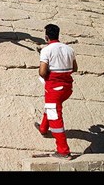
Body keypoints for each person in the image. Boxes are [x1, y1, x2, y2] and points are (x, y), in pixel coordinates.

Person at [36, 24, 78, 160]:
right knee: (50, 106)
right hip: (67, 88)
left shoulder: (46, 50)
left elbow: (42, 72)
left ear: (46, 36)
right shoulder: (69, 49)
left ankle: (63, 150)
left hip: (54, 89)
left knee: (55, 117)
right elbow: (75, 68)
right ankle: (43, 128)